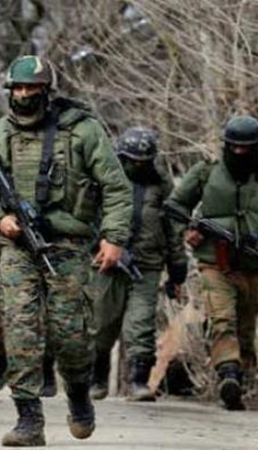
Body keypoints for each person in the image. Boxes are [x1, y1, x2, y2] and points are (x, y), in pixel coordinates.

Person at [0, 55, 133, 447]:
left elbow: (116, 187)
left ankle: (78, 394)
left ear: (47, 91)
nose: (24, 95)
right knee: (19, 330)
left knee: (70, 335)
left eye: (33, 88)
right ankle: (28, 419)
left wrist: (113, 238)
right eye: (19, 88)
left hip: (68, 246)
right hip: (17, 247)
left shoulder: (82, 131)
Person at [165, 115, 258, 410]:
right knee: (222, 319)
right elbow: (175, 205)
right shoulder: (206, 172)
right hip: (215, 262)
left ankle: (242, 378)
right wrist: (189, 229)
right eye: (233, 147)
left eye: (245, 148)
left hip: (254, 264)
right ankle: (228, 373)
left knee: (246, 327)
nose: (239, 152)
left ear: (256, 147)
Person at [89, 127, 188, 402]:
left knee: (140, 323)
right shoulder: (102, 179)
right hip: (106, 262)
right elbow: (86, 218)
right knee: (100, 323)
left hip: (146, 264)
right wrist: (99, 244)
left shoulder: (162, 184)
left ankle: (138, 380)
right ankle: (97, 378)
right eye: (132, 161)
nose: (138, 166)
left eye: (144, 161)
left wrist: (177, 269)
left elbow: (173, 229)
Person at [0, 237, 57, 397]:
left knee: (50, 318)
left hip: (50, 260)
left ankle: (47, 369)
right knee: (1, 316)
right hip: (12, 257)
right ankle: (1, 361)